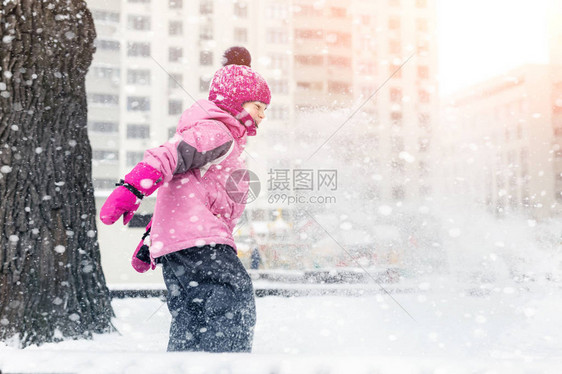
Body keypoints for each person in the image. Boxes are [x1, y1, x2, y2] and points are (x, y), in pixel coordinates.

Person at [99, 49, 271, 352]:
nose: (262, 114)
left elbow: (182, 196)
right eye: (258, 106)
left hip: (187, 242)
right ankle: (224, 366)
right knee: (231, 299)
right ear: (237, 103)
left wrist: (153, 238)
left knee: (191, 315)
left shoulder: (222, 138)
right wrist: (132, 187)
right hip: (202, 243)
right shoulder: (217, 132)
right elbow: (168, 155)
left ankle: (186, 363)